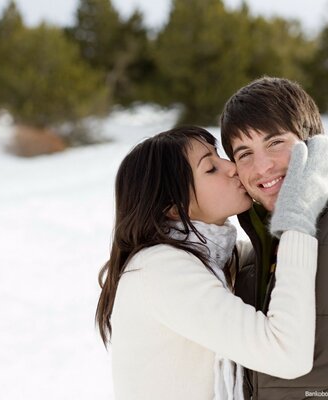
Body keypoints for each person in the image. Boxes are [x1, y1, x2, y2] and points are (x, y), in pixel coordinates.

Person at [96, 125, 328, 400]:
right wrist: (296, 220)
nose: (231, 167)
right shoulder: (161, 270)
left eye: (219, 155)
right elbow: (286, 354)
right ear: (171, 206)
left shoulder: (215, 259)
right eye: (210, 168)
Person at [220, 76, 328, 399]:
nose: (262, 167)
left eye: (274, 143)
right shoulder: (253, 258)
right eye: (244, 154)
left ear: (311, 142)